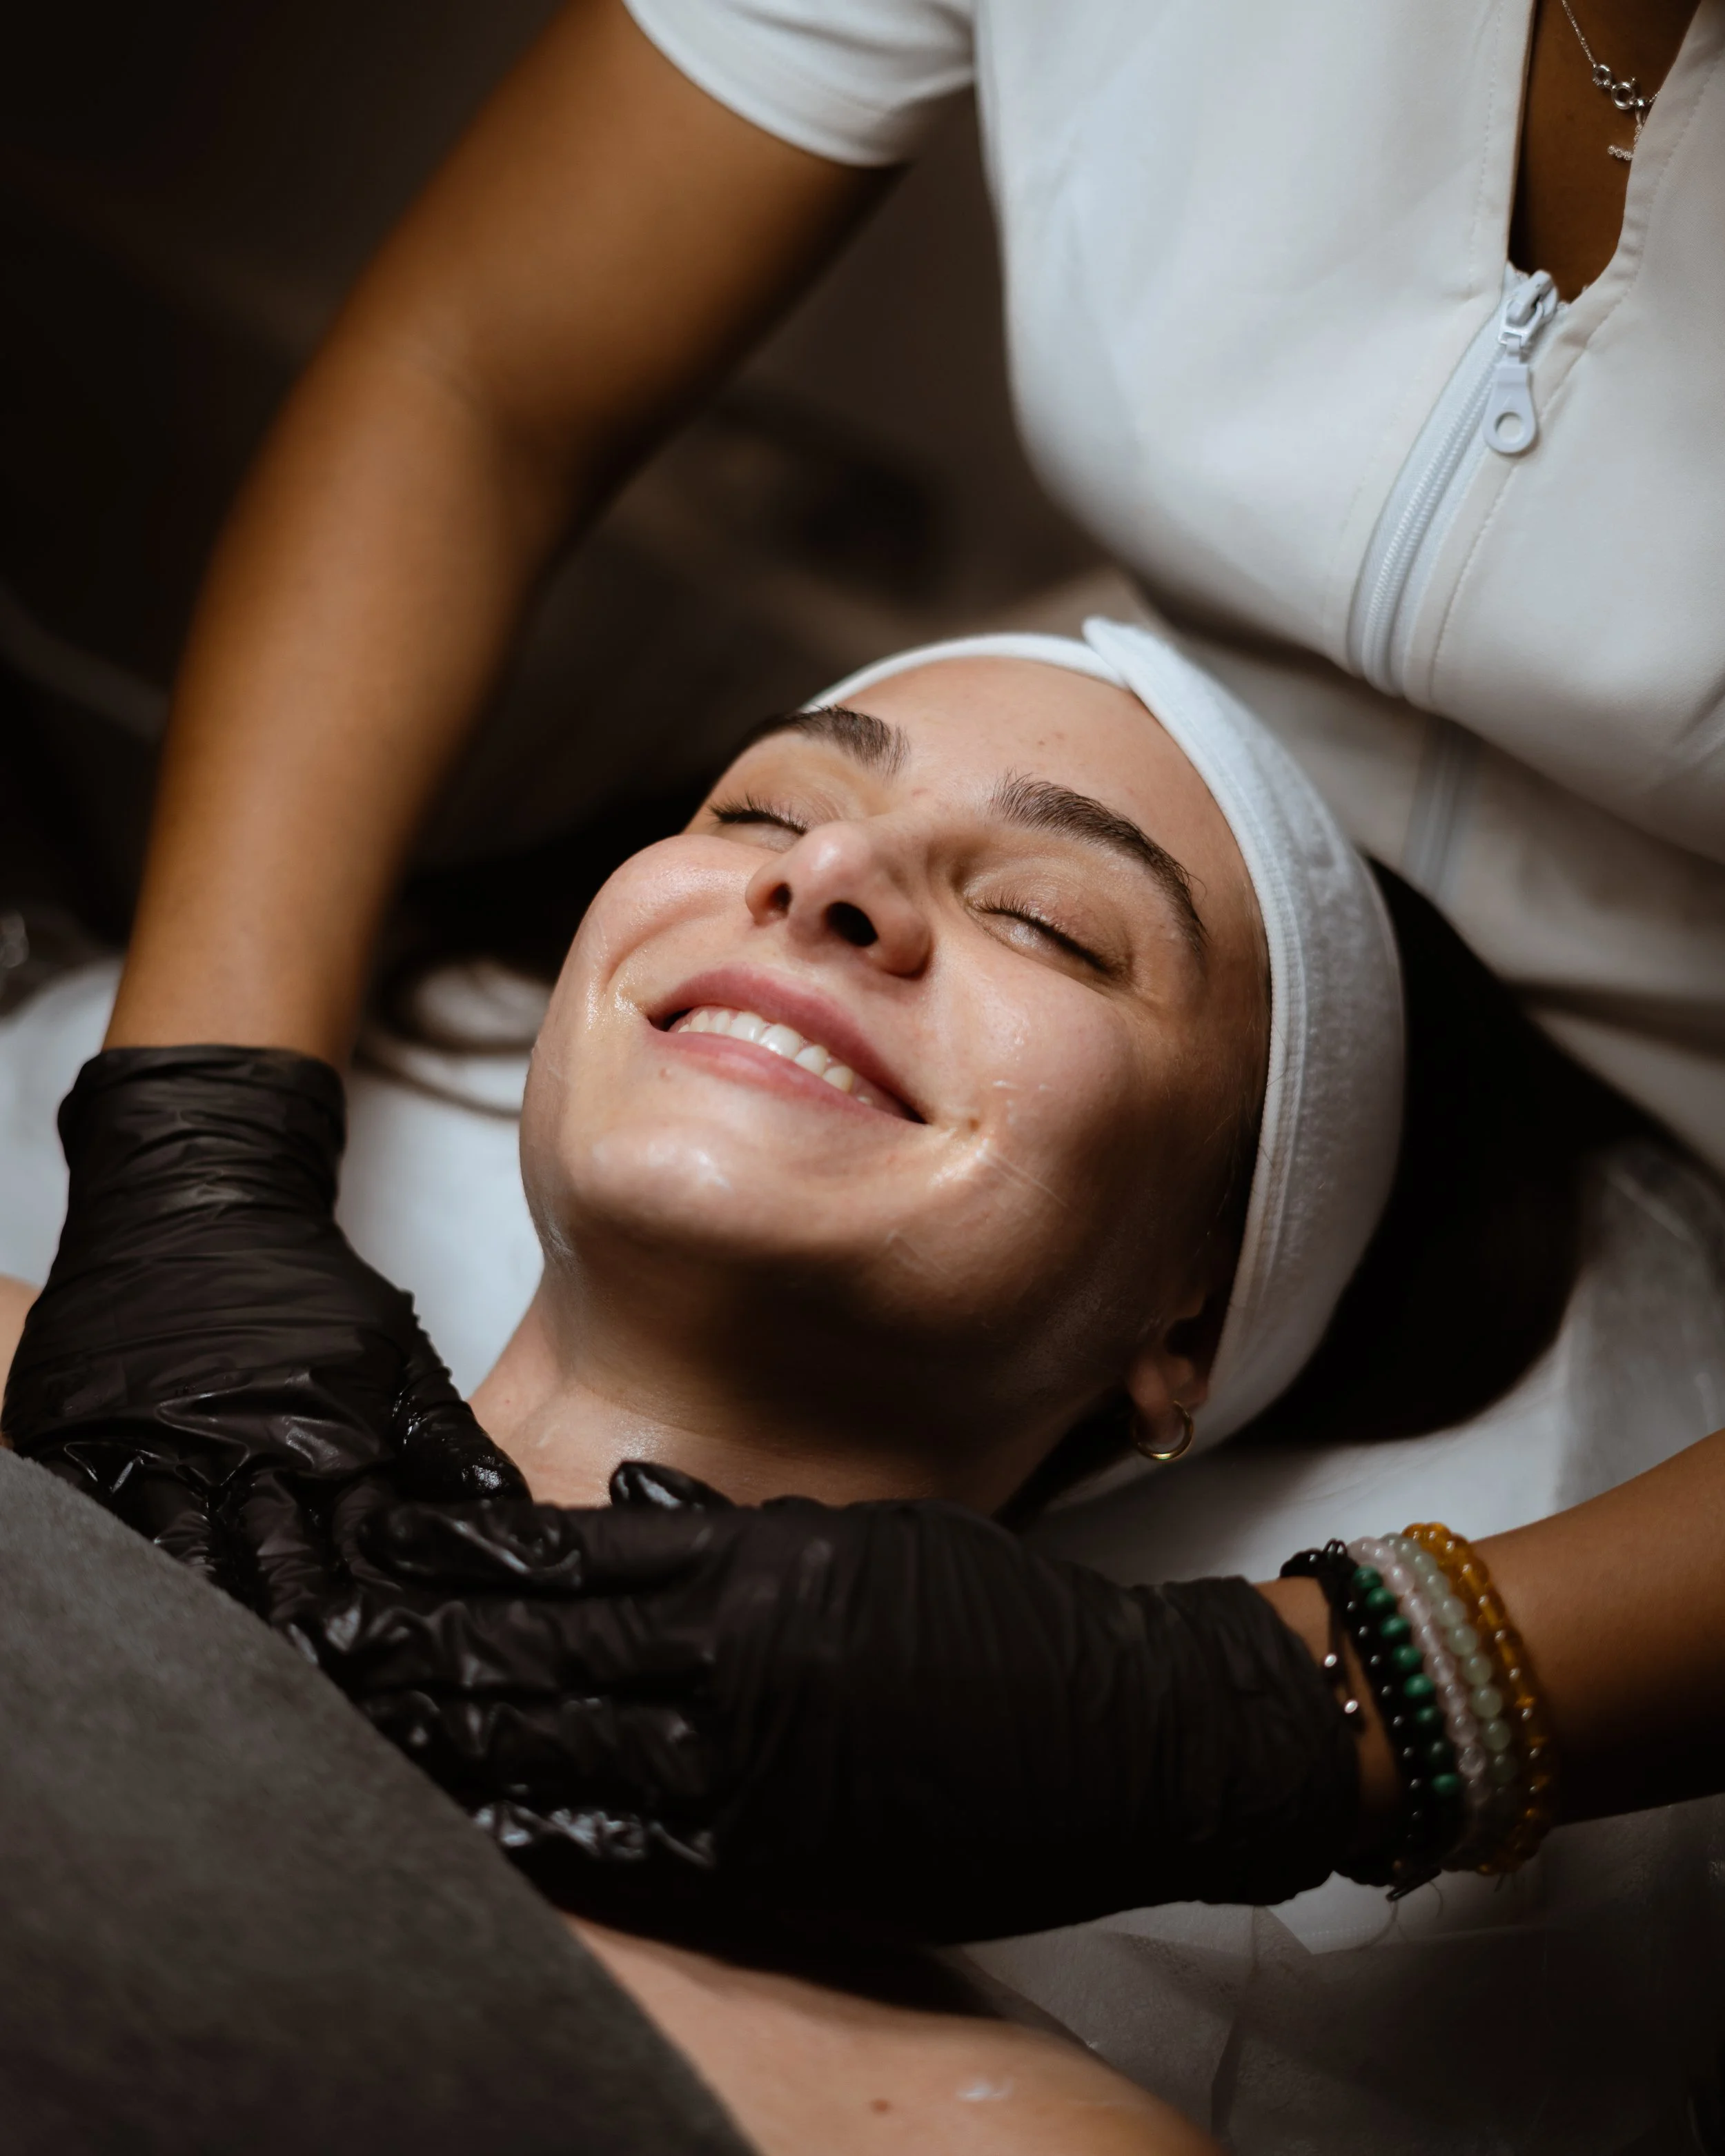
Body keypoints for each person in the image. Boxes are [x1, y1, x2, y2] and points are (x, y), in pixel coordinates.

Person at [10, 625, 1725, 2145]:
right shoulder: (75, 1361)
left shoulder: (989, 2125)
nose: (825, 868)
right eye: (757, 810)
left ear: (1181, 1324)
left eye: (1052, 924)